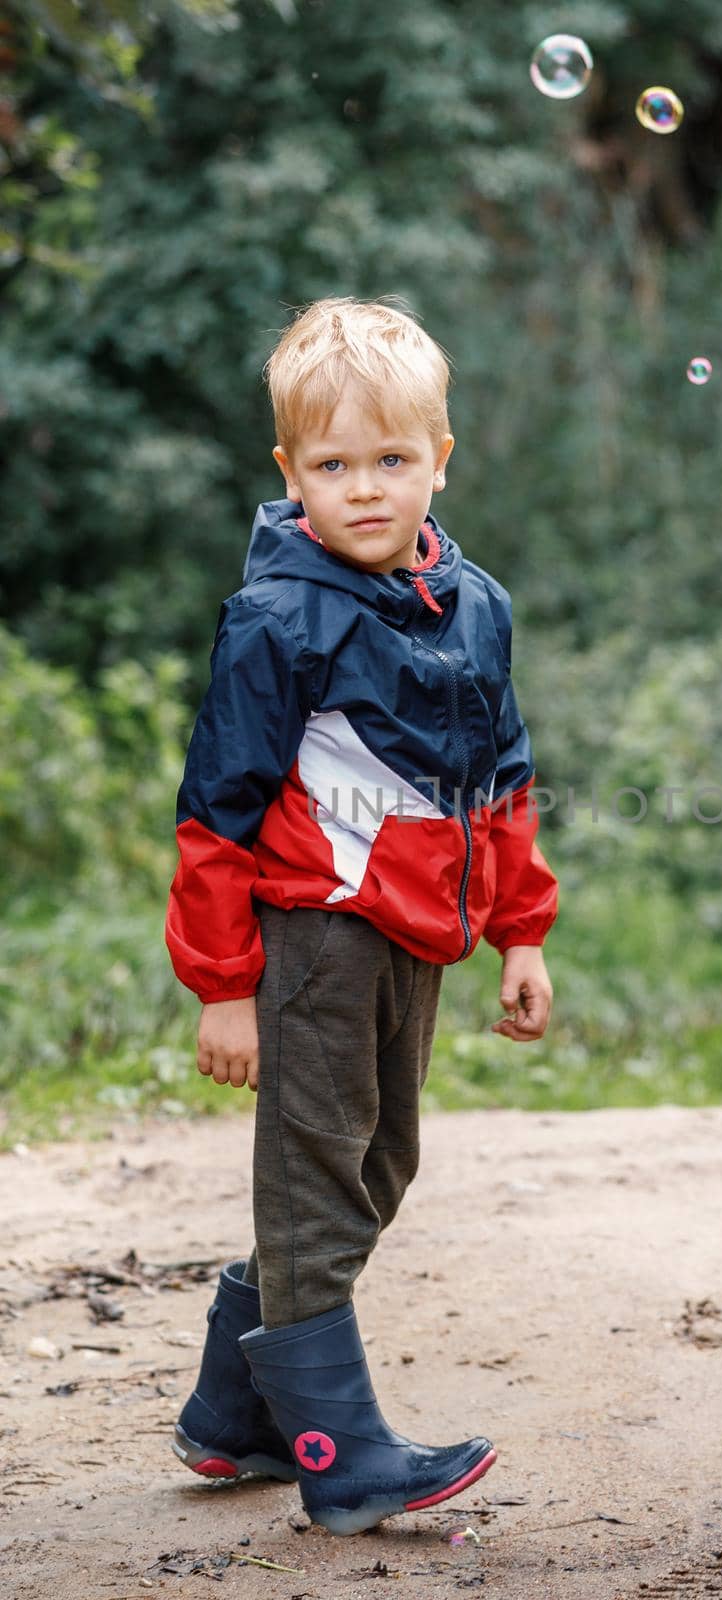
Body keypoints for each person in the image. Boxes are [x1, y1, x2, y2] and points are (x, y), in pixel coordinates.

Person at [163, 295, 559, 1535]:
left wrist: (523, 931)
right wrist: (225, 982)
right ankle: (340, 1455)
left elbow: (501, 776)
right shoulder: (278, 619)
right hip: (315, 935)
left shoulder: (473, 606)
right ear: (290, 473)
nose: (367, 489)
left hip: (419, 936)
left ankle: (234, 1416)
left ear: (441, 455)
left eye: (392, 460)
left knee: (379, 1160)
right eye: (333, 466)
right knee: (317, 1173)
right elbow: (216, 813)